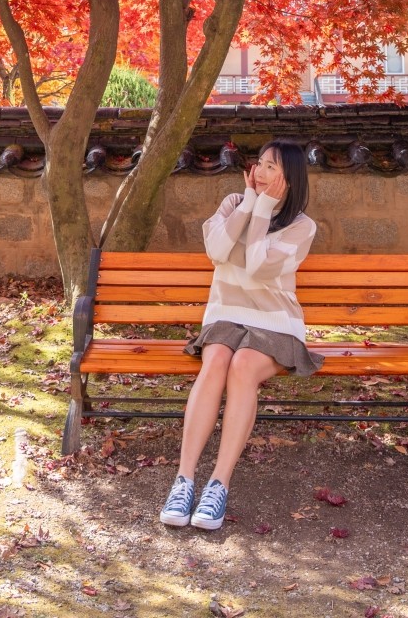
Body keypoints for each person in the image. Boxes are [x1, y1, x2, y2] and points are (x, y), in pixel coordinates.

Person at [159, 139, 321, 530]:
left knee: (243, 366)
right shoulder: (233, 203)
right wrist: (250, 204)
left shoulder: (302, 226)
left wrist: (263, 209)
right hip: (226, 314)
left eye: (272, 168)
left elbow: (257, 267)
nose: (261, 173)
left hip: (275, 321)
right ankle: (184, 480)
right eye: (260, 164)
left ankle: (219, 483)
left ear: (290, 178)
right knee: (215, 360)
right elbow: (217, 249)